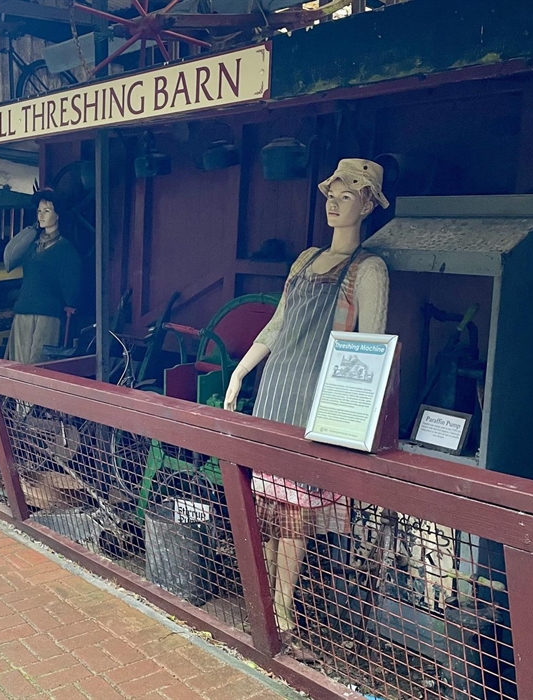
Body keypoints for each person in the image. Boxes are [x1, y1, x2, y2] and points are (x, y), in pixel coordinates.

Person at [223, 158, 390, 647]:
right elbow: (276, 326)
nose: (335, 204)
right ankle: (262, 603)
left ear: (367, 204)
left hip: (316, 404)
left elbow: (371, 348)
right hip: (275, 392)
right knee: (269, 507)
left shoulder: (370, 270)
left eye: (347, 195)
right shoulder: (303, 260)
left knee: (293, 515)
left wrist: (358, 415)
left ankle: (282, 615)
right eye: (331, 195)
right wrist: (239, 375)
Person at [3, 188, 82, 365]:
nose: (42, 215)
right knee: (17, 365)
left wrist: (70, 305)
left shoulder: (66, 250)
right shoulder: (31, 244)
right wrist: (30, 231)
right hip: (23, 311)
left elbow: (72, 289)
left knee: (38, 365)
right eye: (39, 211)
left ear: (58, 215)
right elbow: (10, 258)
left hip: (47, 315)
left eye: (47, 211)